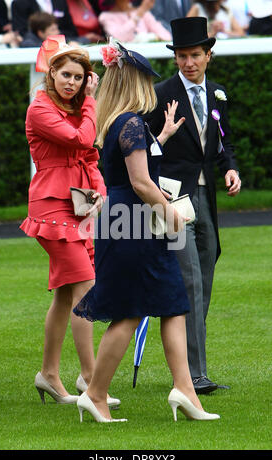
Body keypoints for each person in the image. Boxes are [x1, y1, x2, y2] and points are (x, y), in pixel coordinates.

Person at [73, 39, 220, 423]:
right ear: (135, 82)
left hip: (133, 222)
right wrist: (171, 212)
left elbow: (137, 166)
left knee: (174, 303)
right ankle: (96, 394)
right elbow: (140, 182)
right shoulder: (132, 121)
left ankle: (185, 392)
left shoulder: (124, 122)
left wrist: (165, 135)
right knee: (128, 313)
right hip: (135, 224)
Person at [20, 35, 119, 407]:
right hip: (50, 207)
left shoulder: (76, 107)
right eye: (66, 75)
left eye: (79, 77)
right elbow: (84, 137)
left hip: (77, 206)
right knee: (86, 289)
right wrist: (91, 101)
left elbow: (89, 157)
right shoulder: (40, 108)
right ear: (52, 74)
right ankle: (93, 383)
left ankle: (48, 375)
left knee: (65, 295)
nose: (72, 83)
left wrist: (99, 195)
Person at [146, 17, 241, 394]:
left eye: (195, 55)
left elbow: (223, 144)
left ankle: (188, 368)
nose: (189, 62)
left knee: (204, 282)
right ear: (176, 59)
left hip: (208, 199)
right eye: (182, 56)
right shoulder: (160, 93)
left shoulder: (218, 94)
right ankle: (195, 376)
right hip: (172, 199)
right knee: (189, 284)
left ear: (208, 56)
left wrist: (231, 169)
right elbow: (143, 148)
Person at [98, 0, 172, 43]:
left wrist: (152, 37)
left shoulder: (144, 13)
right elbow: (120, 38)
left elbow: (166, 36)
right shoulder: (105, 17)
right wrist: (139, 13)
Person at [11, 0, 84, 43]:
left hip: (64, 46)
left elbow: (70, 29)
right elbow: (21, 32)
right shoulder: (20, 3)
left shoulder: (60, 1)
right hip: (35, 50)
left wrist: (65, 41)